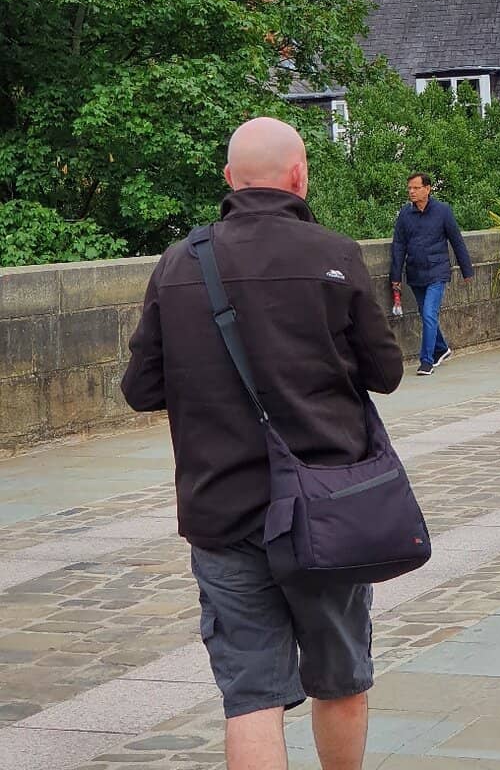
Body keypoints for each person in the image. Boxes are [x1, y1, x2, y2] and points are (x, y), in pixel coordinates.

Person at [121, 117, 403, 770]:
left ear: (229, 180)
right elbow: (385, 373)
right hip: (328, 508)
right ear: (299, 175)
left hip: (222, 509)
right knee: (340, 676)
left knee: (249, 695)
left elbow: (141, 388)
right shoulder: (334, 254)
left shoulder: (180, 264)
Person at [390, 172, 474, 376]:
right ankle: (442, 348)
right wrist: (395, 276)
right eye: (409, 188)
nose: (412, 191)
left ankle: (426, 361)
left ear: (427, 189)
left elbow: (456, 240)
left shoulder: (442, 211)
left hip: (437, 271)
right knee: (425, 314)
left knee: (429, 313)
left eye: (416, 188)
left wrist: (466, 270)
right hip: (415, 272)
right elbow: (398, 246)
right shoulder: (404, 214)